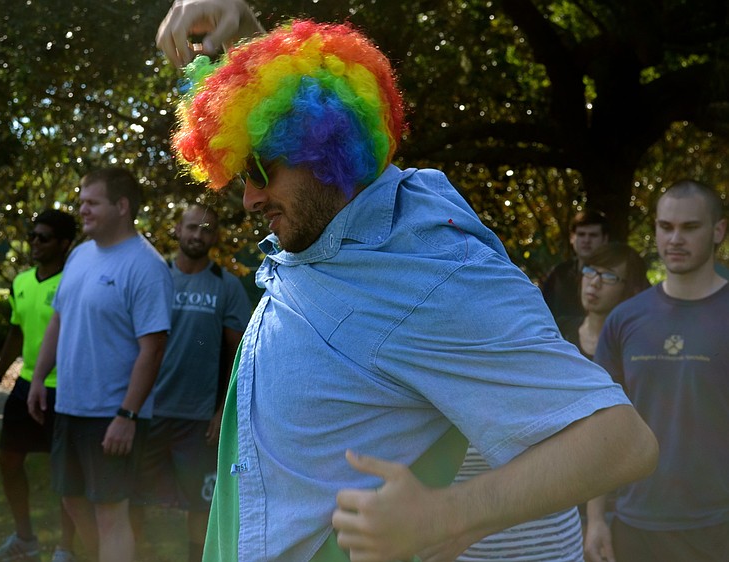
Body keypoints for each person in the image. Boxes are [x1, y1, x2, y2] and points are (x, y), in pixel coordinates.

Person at [158, 12, 658, 562]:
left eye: (258, 169)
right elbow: (291, 100)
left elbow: (620, 440)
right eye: (238, 175)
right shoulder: (327, 234)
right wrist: (242, 35)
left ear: (325, 147)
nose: (249, 199)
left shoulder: (434, 272)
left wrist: (446, 518)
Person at [451, 243, 651, 562]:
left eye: (608, 276)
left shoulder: (554, 359)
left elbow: (619, 442)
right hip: (465, 552)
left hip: (552, 547)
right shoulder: (427, 362)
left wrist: (596, 519)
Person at [27, 168, 172, 562]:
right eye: (80, 201)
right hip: (70, 406)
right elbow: (59, 319)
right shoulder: (79, 255)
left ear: (121, 207)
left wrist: (127, 414)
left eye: (91, 202)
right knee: (73, 502)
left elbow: (153, 349)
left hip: (112, 414)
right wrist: (39, 379)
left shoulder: (147, 266)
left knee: (111, 513)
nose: (81, 209)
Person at [586, 180, 729, 562]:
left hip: (717, 526)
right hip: (634, 524)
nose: (675, 239)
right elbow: (601, 423)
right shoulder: (625, 320)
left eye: (690, 227)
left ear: (718, 230)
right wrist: (596, 518)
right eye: (666, 227)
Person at [132, 204, 251, 562]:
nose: (198, 235)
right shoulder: (155, 277)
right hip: (149, 413)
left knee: (201, 509)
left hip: (199, 420)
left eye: (207, 229)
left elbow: (239, 354)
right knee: (133, 499)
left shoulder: (226, 286)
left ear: (215, 236)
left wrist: (221, 412)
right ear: (178, 230)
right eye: (191, 228)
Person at [0, 209, 78, 562]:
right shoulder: (21, 282)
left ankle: (66, 548)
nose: (35, 242)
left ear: (65, 244)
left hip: (64, 390)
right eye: (32, 236)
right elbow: (15, 334)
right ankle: (25, 538)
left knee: (65, 474)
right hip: (25, 387)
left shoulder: (73, 282)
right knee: (8, 461)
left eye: (44, 237)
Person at [542, 209, 610, 323]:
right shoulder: (559, 274)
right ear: (572, 238)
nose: (586, 240)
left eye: (593, 235)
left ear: (605, 239)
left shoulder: (616, 275)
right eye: (581, 234)